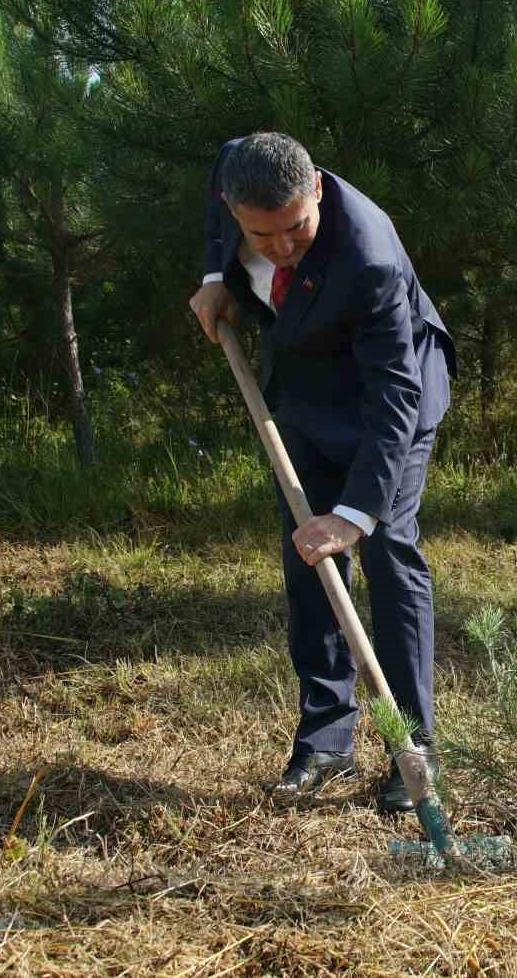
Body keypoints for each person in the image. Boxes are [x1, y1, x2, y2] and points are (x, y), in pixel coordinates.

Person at [189, 132, 455, 814]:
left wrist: (354, 513)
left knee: (389, 549)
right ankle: (326, 739)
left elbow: (395, 393)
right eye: (261, 234)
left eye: (296, 229)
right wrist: (218, 277)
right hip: (302, 398)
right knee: (307, 558)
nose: (280, 248)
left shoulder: (368, 256)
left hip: (391, 399)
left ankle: (412, 746)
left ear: (317, 191)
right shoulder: (235, 169)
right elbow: (223, 224)